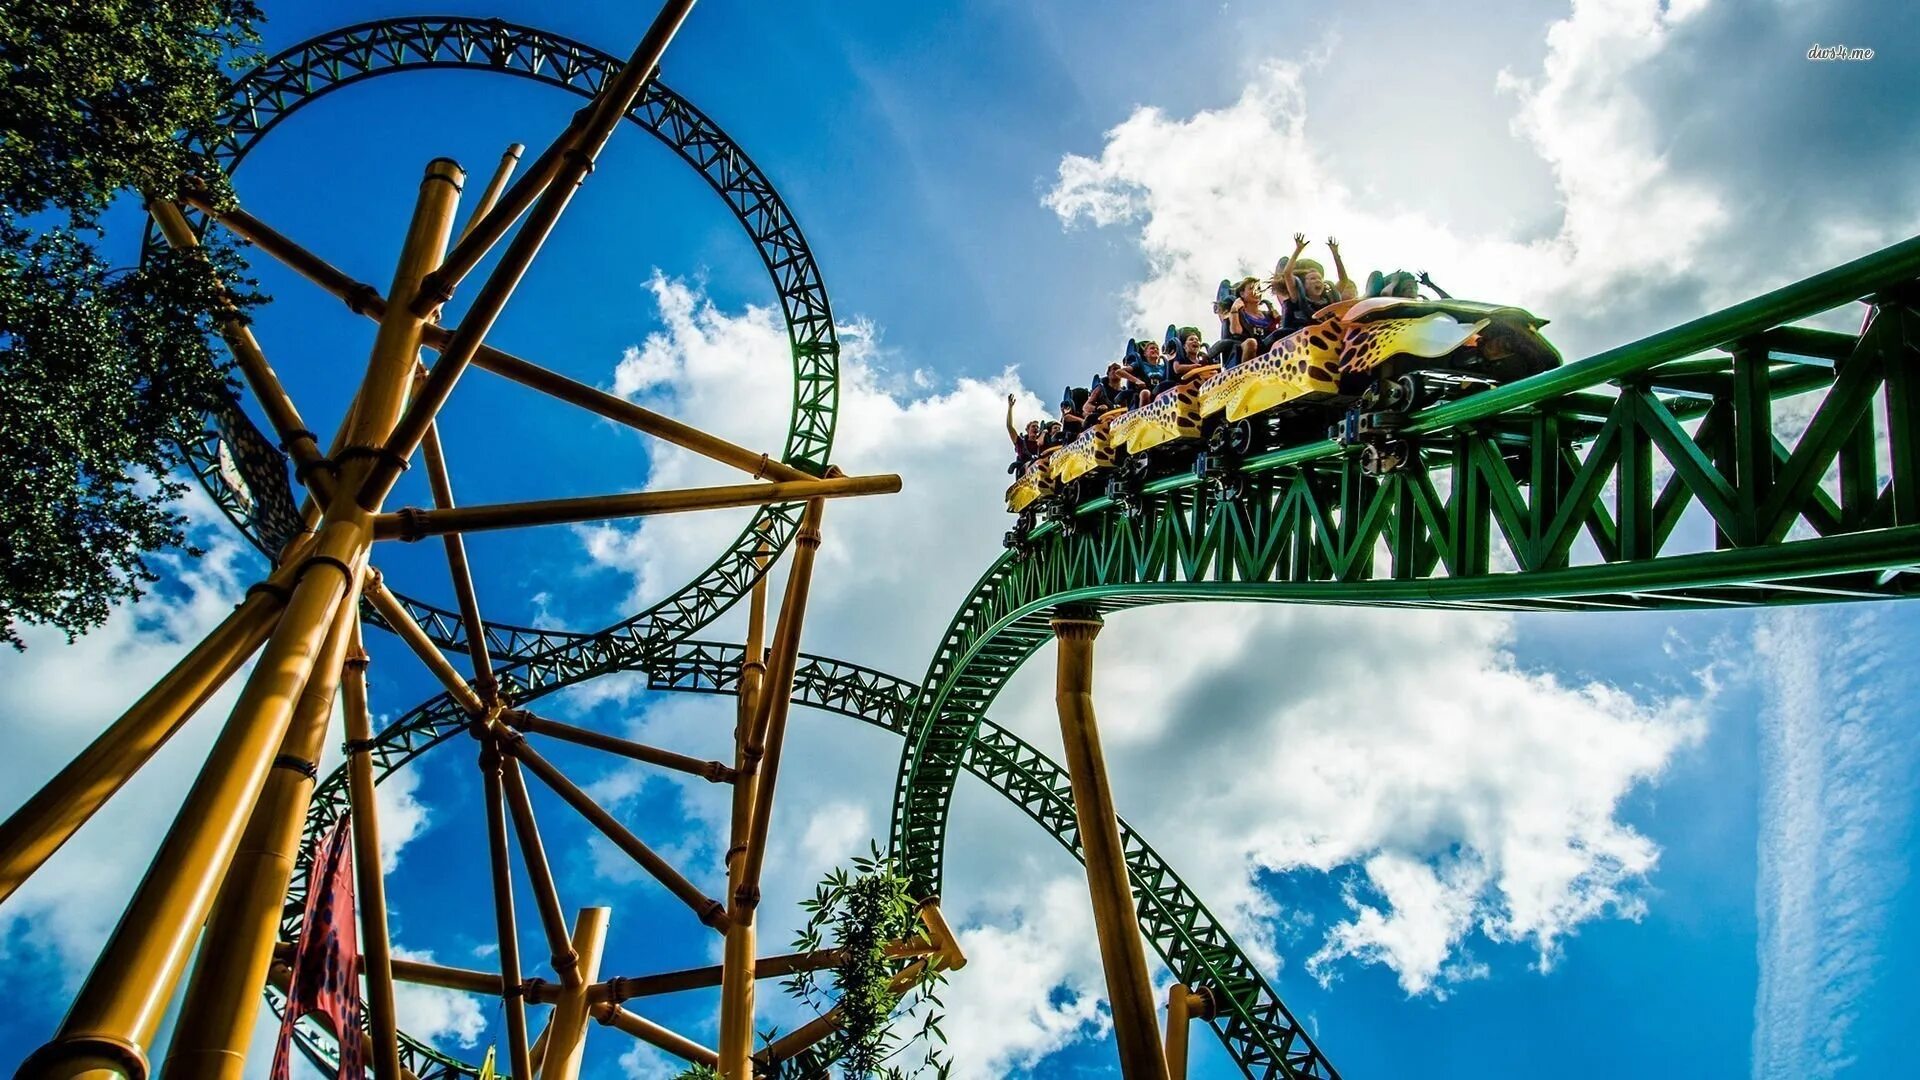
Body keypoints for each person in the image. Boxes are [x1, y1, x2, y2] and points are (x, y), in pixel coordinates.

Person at [1274, 233, 1354, 333]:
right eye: (1312, 279)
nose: (1317, 280)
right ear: (1304, 284)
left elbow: (1343, 280)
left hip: (1329, 335)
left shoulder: (1329, 297)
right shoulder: (1297, 296)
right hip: (1303, 337)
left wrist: (1336, 255)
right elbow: (1287, 273)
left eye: (1319, 278)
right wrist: (1298, 250)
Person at [1205, 276, 1279, 368]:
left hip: (1267, 347)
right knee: (1251, 343)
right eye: (1251, 288)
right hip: (1244, 347)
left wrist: (1278, 318)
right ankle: (1248, 375)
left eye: (1258, 288)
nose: (1256, 291)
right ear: (1242, 294)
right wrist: (1235, 309)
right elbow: (1236, 332)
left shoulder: (1268, 314)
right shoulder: (1237, 313)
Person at [1005, 393, 1042, 474]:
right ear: (1027, 430)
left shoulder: (1041, 444)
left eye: (1037, 427)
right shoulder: (1020, 442)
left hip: (1038, 472)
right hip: (1024, 473)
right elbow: (1009, 426)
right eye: (1033, 426)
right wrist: (1010, 408)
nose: (1036, 428)